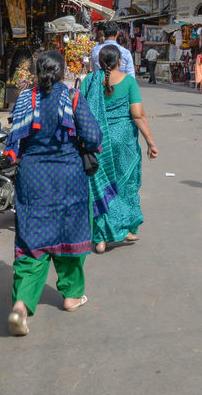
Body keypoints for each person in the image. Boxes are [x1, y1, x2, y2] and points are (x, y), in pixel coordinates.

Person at [4, 50, 103, 336]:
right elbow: (94, 136)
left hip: (33, 177)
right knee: (69, 235)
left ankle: (21, 306)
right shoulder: (72, 98)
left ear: (37, 72)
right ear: (62, 72)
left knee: (32, 241)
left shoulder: (24, 99)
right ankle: (72, 296)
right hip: (68, 177)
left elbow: (15, 139)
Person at [86, 45, 159, 254]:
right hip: (123, 142)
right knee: (124, 185)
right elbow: (138, 115)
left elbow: (80, 111)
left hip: (97, 143)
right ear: (120, 62)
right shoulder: (128, 82)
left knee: (100, 188)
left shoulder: (90, 81)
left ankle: (100, 238)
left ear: (99, 62)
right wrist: (151, 143)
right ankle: (125, 229)